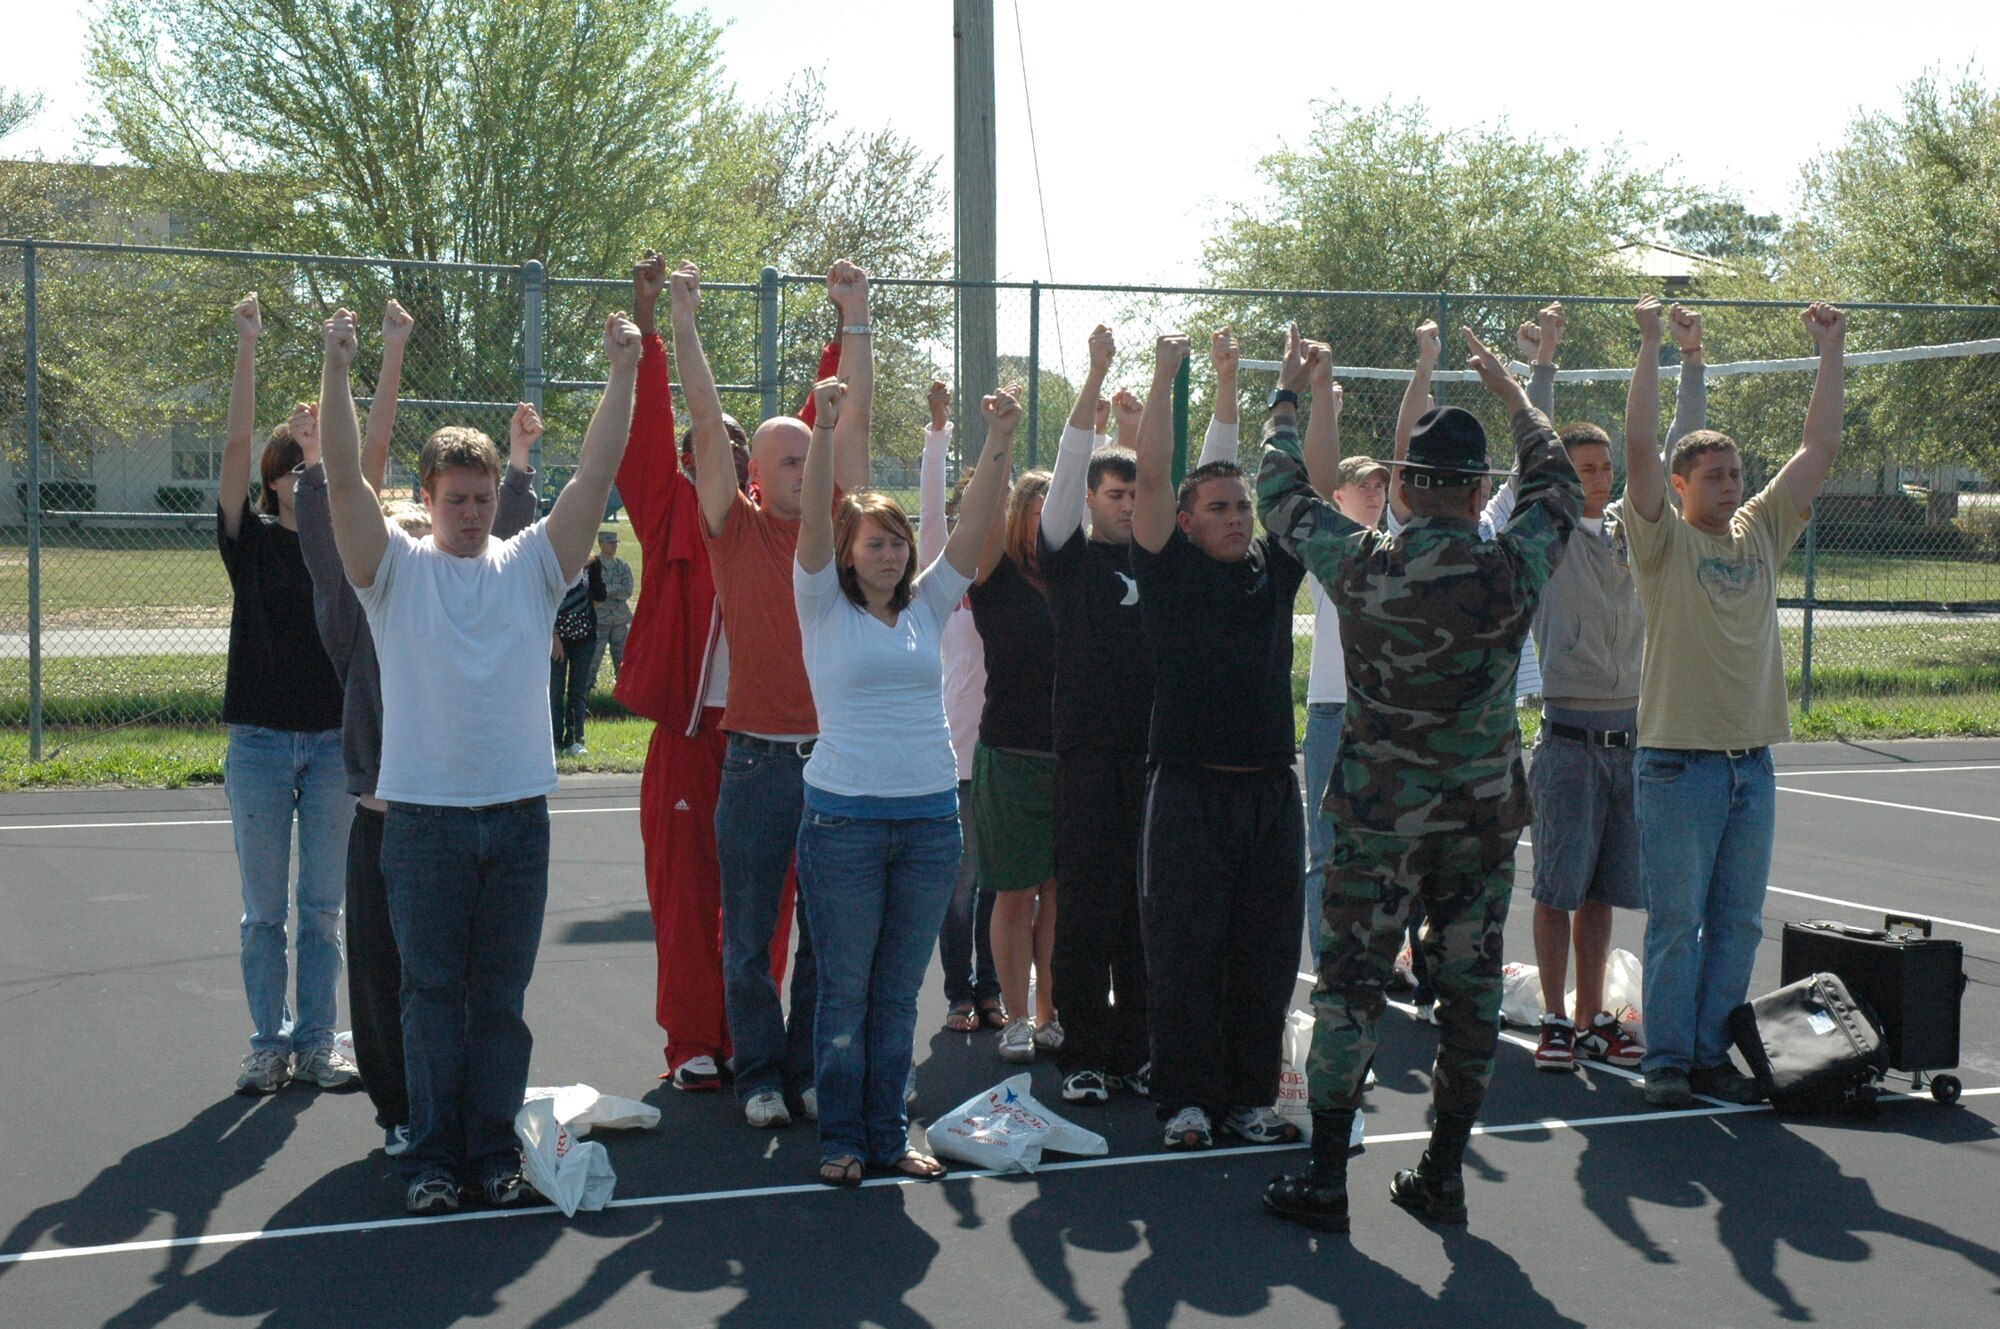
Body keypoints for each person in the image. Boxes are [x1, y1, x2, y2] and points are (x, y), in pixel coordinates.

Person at [317, 302, 642, 1214]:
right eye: (452, 497)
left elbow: (596, 471)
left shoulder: (535, 564)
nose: (468, 511)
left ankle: (492, 1151)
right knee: (429, 996)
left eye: (481, 496)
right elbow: (343, 478)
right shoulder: (392, 573)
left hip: (518, 817)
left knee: (499, 997)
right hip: (419, 822)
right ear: (426, 498)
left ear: (499, 496)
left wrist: (623, 368)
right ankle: (429, 1155)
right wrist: (339, 367)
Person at [1259, 323, 1580, 1232]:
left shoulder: (1365, 565)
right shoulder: (1511, 564)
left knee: (1350, 988)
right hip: (1480, 816)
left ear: (1402, 486)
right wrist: (1516, 394)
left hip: (1378, 816)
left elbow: (1279, 489)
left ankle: (1327, 1174)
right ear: (1478, 489)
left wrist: (1287, 392)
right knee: (1471, 993)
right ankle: (1442, 1170)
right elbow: (1555, 482)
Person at [296, 300, 547, 1154]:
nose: (446, 522)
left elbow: (507, 530)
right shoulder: (368, 583)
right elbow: (350, 473)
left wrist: (517, 462)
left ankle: (472, 1130)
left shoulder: (475, 578)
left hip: (470, 811)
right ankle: (410, 1120)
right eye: (436, 507)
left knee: (478, 989)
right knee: (394, 983)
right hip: (390, 811)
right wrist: (349, 363)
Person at [792, 374, 1024, 1186]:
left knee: (897, 996)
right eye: (874, 541)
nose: (889, 552)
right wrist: (823, 429)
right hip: (843, 823)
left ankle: (889, 1134)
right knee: (845, 992)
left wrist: (997, 439)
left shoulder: (929, 605)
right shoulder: (821, 602)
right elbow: (816, 522)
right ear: (847, 551)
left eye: (897, 540)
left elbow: (974, 528)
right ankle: (842, 1138)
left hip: (930, 822)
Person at [1623, 296, 1847, 1109]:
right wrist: (1653, 342)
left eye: (1736, 472)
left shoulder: (1758, 532)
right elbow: (1641, 443)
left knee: (1740, 923)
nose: (1730, 483)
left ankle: (1713, 1053)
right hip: (1678, 766)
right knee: (1676, 923)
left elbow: (1821, 444)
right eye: (1713, 474)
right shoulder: (1660, 537)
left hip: (1750, 765)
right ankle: (1667, 1061)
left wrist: (1832, 349)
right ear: (1679, 486)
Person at [682, 258, 875, 1128]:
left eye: (811, 453)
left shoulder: (835, 527)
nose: (808, 464)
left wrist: (857, 312)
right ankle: (758, 1071)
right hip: (756, 764)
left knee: (829, 941)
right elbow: (697, 413)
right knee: (750, 933)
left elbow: (856, 413)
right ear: (755, 473)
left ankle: (801, 1071)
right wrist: (684, 320)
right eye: (790, 457)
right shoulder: (736, 528)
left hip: (836, 762)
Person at [1041, 326, 1239, 1104]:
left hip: (1160, 762)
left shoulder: (1166, 559)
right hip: (1089, 761)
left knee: (1150, 915)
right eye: (1114, 494)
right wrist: (1093, 378)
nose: (1128, 504)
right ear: (1091, 501)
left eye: (1134, 494)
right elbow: (1064, 472)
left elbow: (1206, 480)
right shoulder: (1068, 558)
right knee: (1088, 910)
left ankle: (1143, 1045)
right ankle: (1084, 1049)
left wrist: (1218, 383)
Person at [1517, 300, 1706, 1075]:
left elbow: (1675, 454)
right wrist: (1544, 364)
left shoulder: (1642, 532)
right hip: (1566, 741)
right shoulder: (1551, 533)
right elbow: (1533, 449)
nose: (1597, 478)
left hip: (1633, 742)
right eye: (1582, 468)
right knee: (1558, 889)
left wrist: (1687, 359)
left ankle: (1594, 1016)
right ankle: (1555, 1018)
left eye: (1603, 468)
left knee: (1602, 894)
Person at [1129, 332, 1307, 1153]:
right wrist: (1167, 379)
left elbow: (1309, 487)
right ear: (1185, 523)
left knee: (1265, 956)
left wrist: (1303, 392)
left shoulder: (1275, 569)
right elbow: (1157, 474)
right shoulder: (1168, 569)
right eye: (1221, 509)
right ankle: (1186, 1100)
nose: (1237, 518)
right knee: (1186, 952)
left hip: (1272, 788)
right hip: (1191, 787)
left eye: (1243, 507)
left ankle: (1250, 1097)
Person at [614, 250, 787, 1091]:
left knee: (769, 899)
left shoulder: (773, 529)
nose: (712, 451)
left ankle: (747, 1031)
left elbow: (824, 440)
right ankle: (692, 1039)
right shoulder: (668, 509)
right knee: (687, 898)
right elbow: (641, 441)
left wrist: (838, 341)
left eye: (730, 441)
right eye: (698, 444)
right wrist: (649, 328)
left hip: (768, 737)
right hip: (688, 737)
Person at [216, 291, 357, 1098]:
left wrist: (324, 431)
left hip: (335, 743)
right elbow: (236, 443)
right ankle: (266, 1045)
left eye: (314, 468)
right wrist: (249, 345)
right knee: (264, 912)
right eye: (292, 467)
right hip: (263, 743)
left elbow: (358, 449)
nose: (306, 474)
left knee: (322, 911)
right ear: (272, 483)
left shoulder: (342, 548)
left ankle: (315, 1044)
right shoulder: (251, 545)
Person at [918, 380, 1004, 1034]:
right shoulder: (939, 580)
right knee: (958, 888)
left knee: (999, 886)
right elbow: (929, 515)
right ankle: (957, 994)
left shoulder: (1012, 577)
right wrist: (940, 428)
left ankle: (995, 988)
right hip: (954, 759)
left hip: (1007, 755)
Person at [968, 461, 1060, 1064]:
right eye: (1040, 508)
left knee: (1060, 894)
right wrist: (995, 444)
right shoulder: (994, 575)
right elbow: (976, 519)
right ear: (1018, 515)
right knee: (1015, 893)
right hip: (1010, 756)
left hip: (1073, 759)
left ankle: (1052, 1013)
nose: (1051, 520)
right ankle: (1017, 1018)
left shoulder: (1078, 575)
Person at [1298, 453, 1388, 962]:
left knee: (1385, 849)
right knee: (1327, 850)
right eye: (1361, 485)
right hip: (1333, 710)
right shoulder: (1326, 550)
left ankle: (1378, 960)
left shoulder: (1401, 547)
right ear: (1338, 497)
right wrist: (1325, 407)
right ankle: (1329, 962)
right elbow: (1305, 497)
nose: (1373, 493)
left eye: (1379, 485)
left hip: (1384, 712)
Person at [550, 555, 603, 755]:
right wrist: (554, 636)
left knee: (578, 691)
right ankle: (554, 741)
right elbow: (544, 600)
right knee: (555, 691)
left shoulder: (593, 563)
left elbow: (600, 597)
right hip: (557, 639)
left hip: (584, 638)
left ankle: (575, 739)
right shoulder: (553, 560)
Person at [589, 529, 634, 684]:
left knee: (622, 663)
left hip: (620, 622)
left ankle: (622, 697)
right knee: (592, 662)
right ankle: (585, 700)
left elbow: (627, 591)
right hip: (599, 621)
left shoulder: (622, 566)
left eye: (615, 543)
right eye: (610, 543)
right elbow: (592, 591)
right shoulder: (593, 565)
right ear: (601, 544)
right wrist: (613, 588)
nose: (613, 546)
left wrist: (606, 590)